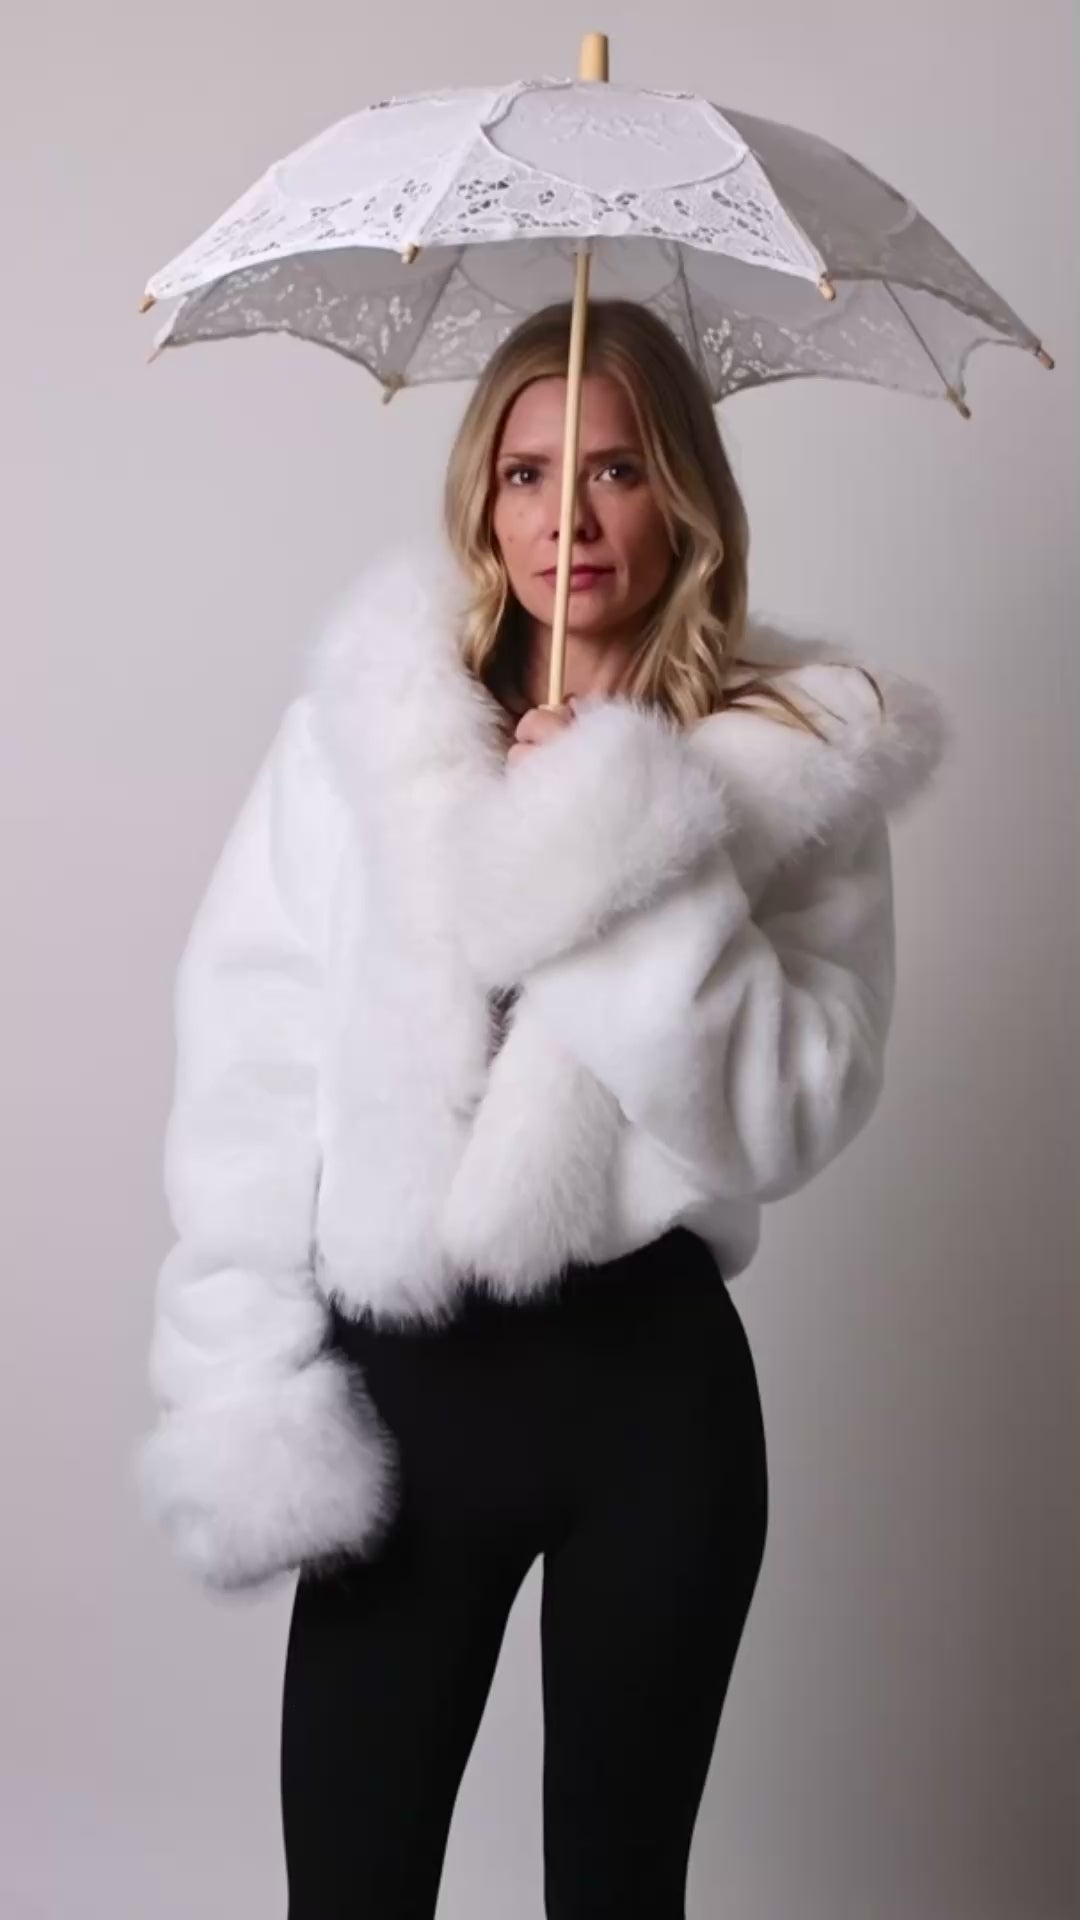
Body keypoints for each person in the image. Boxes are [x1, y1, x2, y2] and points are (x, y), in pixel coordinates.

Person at [134, 298, 950, 1918]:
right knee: (350, 1890)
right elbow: (249, 1066)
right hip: (406, 1396)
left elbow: (796, 1108)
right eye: (526, 473)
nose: (566, 516)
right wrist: (237, 1379)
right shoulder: (369, 741)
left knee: (620, 1896)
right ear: (482, 500)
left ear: (683, 498)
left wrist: (620, 840)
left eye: (617, 468)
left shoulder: (791, 763)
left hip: (652, 1403)